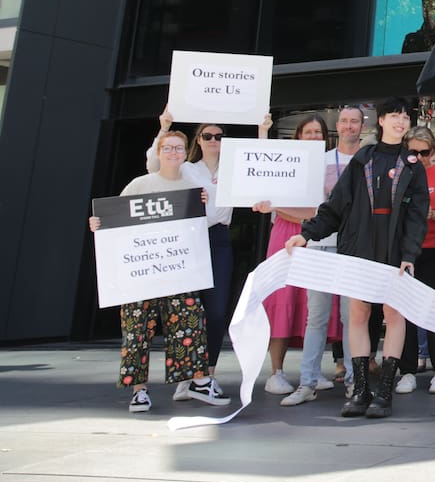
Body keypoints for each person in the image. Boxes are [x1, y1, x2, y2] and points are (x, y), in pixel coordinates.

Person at [286, 97, 429, 419]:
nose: (400, 121)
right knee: (359, 314)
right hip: (360, 245)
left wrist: (409, 254)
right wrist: (307, 234)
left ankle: (384, 394)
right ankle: (361, 391)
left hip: (393, 249)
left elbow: (418, 216)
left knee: (394, 315)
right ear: (381, 121)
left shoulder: (413, 164)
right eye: (394, 115)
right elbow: (336, 204)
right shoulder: (364, 157)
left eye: (405, 116)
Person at [91, 129, 231, 412]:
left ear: (185, 153)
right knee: (137, 330)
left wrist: (204, 203)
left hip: (178, 269)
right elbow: (114, 218)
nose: (174, 153)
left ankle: (198, 380)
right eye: (168, 148)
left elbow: (206, 224)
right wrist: (98, 223)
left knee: (189, 322)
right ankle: (139, 392)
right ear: (159, 152)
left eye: (179, 149)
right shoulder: (140, 184)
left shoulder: (194, 188)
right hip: (143, 272)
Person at [147, 108, 255, 387]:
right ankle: (186, 376)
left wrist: (264, 129)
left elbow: (261, 173)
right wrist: (164, 128)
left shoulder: (234, 169)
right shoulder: (186, 168)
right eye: (207, 135)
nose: (213, 140)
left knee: (217, 310)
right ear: (198, 140)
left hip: (219, 239)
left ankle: (208, 373)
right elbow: (153, 165)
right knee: (188, 309)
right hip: (190, 239)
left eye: (219, 136)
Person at [285, 104, 363, 405]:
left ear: (362, 126)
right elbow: (304, 203)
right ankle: (307, 382)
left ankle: (356, 383)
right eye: (344, 121)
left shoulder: (366, 159)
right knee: (315, 317)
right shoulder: (319, 160)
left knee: (351, 317)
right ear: (338, 126)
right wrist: (272, 205)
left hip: (352, 249)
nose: (349, 126)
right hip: (318, 246)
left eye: (354, 122)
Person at [253, 115, 323, 396]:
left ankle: (312, 371)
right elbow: (258, 167)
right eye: (308, 132)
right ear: (298, 137)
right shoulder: (283, 163)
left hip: (315, 236)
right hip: (285, 237)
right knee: (282, 299)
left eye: (319, 132)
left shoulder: (327, 166)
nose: (314, 137)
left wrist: (284, 208)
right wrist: (263, 132)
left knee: (312, 303)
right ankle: (276, 372)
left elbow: (319, 212)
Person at [397, 126, 435, 395]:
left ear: (432, 152)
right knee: (404, 312)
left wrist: (431, 213)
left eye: (425, 152)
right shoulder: (398, 175)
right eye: (414, 152)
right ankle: (407, 370)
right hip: (404, 252)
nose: (420, 157)